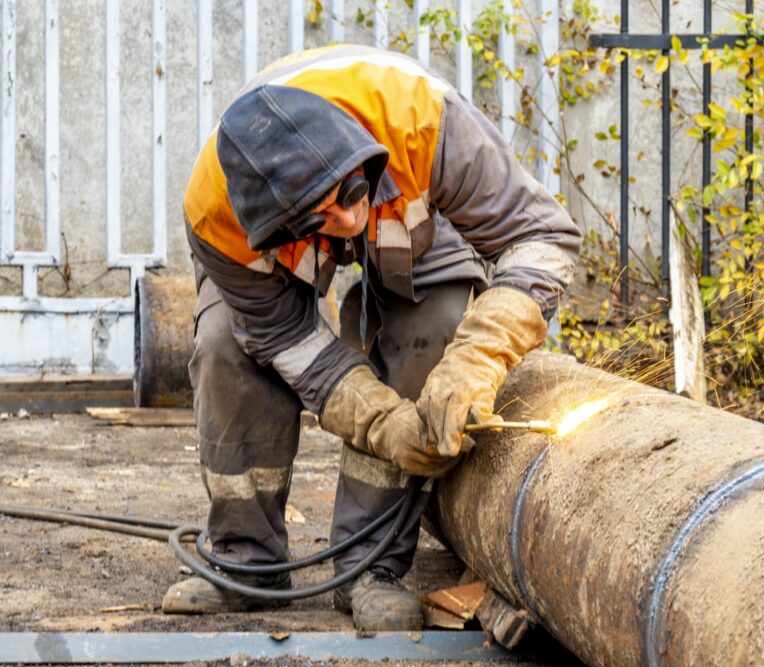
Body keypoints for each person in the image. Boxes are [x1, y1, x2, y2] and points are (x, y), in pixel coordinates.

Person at [161, 44, 581, 631]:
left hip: (412, 211)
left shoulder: (423, 121)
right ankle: (244, 559)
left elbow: (543, 237)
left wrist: (478, 358)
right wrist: (385, 424)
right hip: (274, 236)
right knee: (227, 349)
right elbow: (289, 341)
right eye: (320, 218)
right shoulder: (219, 215)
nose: (352, 223)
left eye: (351, 197)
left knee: (432, 336)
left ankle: (370, 566)